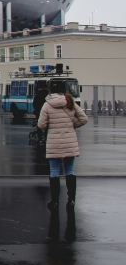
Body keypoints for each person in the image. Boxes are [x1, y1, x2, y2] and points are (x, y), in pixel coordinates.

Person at [37, 79, 88, 210]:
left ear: (49, 89)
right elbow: (84, 119)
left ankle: (54, 201)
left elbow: (41, 125)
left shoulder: (47, 105)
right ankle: (71, 199)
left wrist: (52, 126)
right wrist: (72, 126)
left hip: (54, 142)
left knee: (54, 171)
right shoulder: (70, 102)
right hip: (69, 141)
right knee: (70, 171)